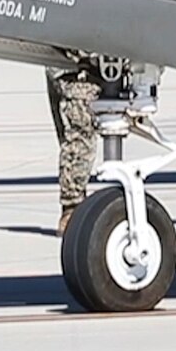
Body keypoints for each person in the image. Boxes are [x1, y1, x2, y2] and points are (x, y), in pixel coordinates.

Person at [46, 67, 98, 234]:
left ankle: (74, 204)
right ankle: (72, 207)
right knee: (78, 135)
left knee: (71, 137)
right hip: (76, 64)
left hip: (61, 60)